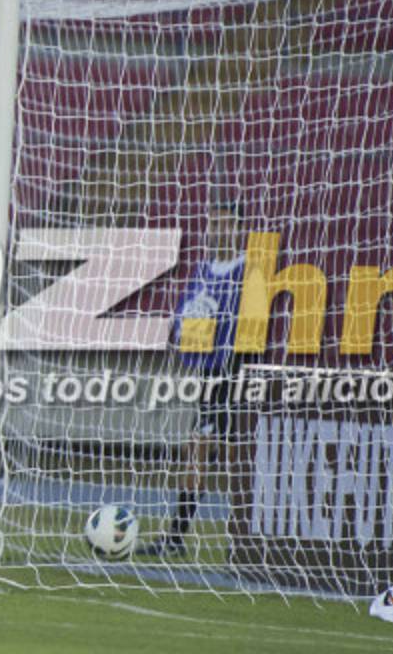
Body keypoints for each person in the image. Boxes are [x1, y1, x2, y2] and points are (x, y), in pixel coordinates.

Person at [139, 197, 246, 557]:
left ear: (239, 227)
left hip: (237, 373)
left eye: (225, 223)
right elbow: (185, 313)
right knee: (197, 451)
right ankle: (175, 537)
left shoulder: (250, 270)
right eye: (213, 223)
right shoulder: (202, 268)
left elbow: (247, 325)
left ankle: (245, 540)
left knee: (234, 455)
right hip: (207, 373)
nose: (217, 230)